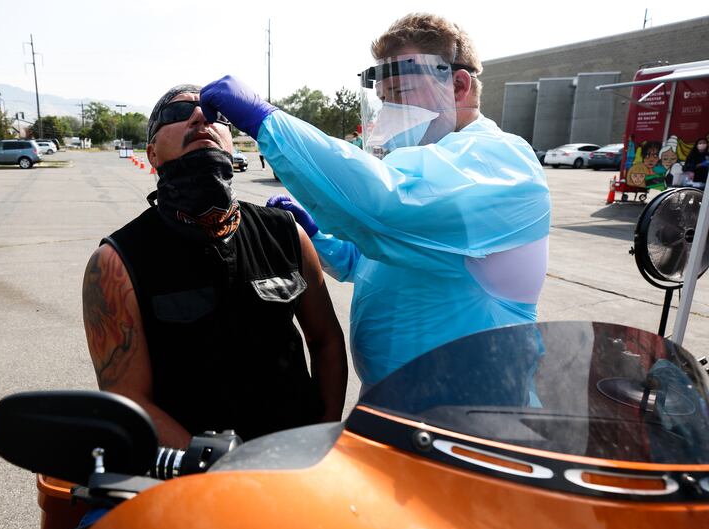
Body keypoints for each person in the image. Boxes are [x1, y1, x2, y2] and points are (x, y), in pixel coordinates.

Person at [200, 13, 550, 390]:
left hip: (472, 414)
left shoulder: (500, 162)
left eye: (399, 94)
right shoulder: (429, 161)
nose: (388, 112)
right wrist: (319, 237)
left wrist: (266, 120)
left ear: (459, 86)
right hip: (395, 407)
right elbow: (368, 260)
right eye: (383, 100)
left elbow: (385, 207)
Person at [81, 84, 347, 447]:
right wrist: (216, 469)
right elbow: (128, 399)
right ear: (151, 154)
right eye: (177, 114)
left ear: (232, 144)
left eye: (216, 115)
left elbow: (327, 339)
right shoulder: (116, 262)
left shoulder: (286, 233)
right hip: (191, 484)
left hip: (295, 470)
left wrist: (325, 432)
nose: (200, 117)